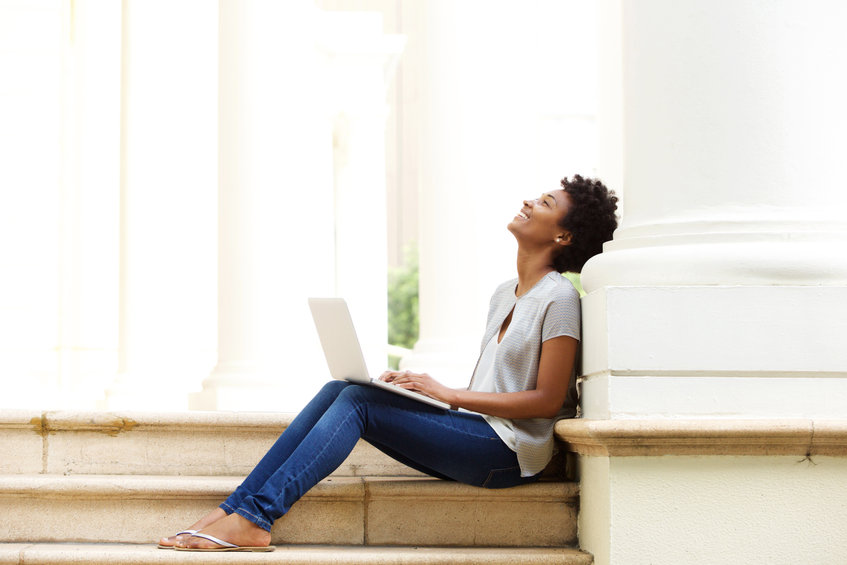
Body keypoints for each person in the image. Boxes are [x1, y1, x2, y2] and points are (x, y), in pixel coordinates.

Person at [159, 174, 618, 552]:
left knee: (359, 401)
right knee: (341, 388)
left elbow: (548, 400)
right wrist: (418, 392)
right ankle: (231, 510)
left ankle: (255, 519)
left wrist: (447, 393)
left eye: (543, 202)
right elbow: (499, 386)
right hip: (477, 431)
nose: (527, 201)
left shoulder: (559, 298)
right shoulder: (505, 292)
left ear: (563, 235)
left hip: (510, 455)